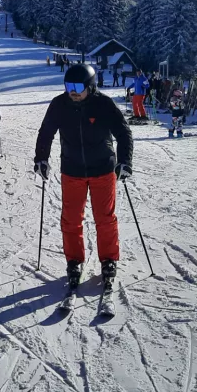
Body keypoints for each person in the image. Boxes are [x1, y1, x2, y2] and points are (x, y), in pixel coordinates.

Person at [33, 64, 133, 291]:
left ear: (90, 86)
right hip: (72, 169)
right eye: (69, 86)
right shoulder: (59, 104)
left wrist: (124, 161)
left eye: (78, 86)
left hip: (103, 169)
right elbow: (46, 132)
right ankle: (74, 261)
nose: (73, 91)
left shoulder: (103, 104)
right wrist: (41, 158)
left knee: (105, 218)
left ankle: (108, 259)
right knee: (70, 218)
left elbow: (123, 132)